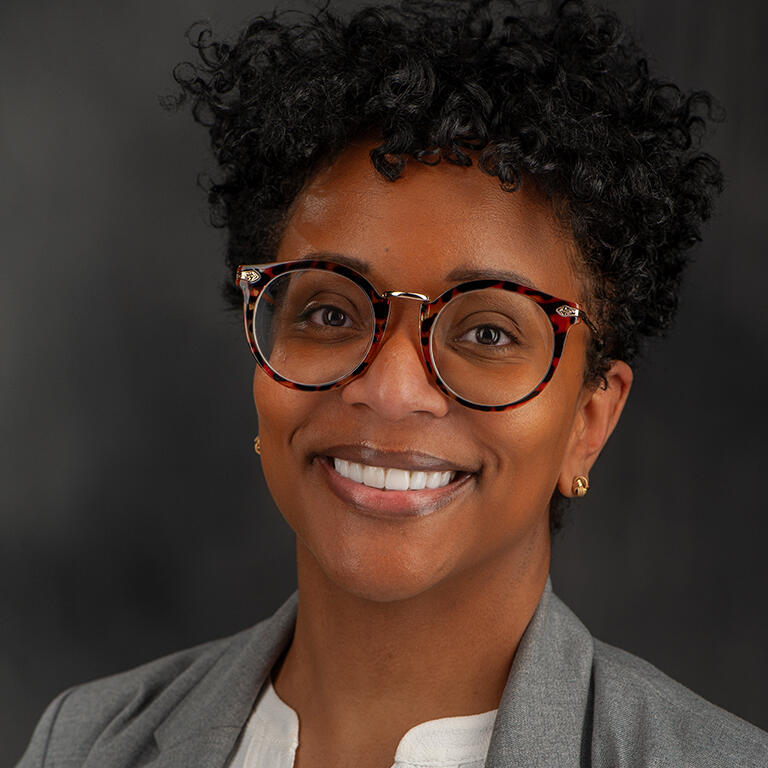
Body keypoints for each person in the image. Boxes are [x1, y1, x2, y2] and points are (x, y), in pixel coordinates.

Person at [15, 0, 768, 766]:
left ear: (589, 423)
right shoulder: (84, 741)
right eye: (333, 313)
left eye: (487, 332)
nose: (391, 388)